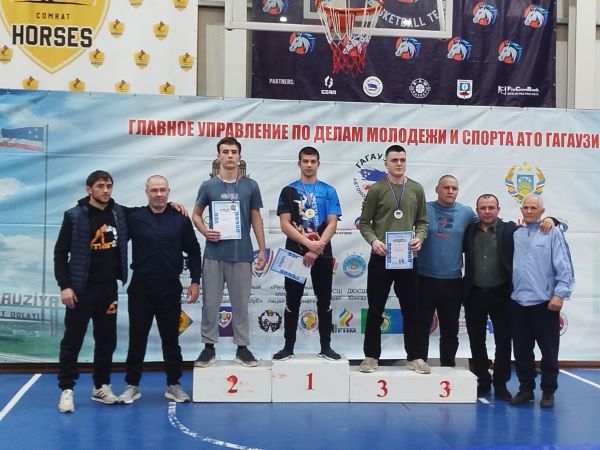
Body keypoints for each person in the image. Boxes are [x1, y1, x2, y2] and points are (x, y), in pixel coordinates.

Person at [118, 175, 201, 404]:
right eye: (154, 190)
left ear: (168, 191)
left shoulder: (180, 219)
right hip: (141, 287)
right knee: (137, 338)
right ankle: (132, 385)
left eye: (163, 190)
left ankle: (173, 384)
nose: (159, 194)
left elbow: (194, 250)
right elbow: (108, 205)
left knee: (171, 339)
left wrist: (195, 281)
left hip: (169, 287)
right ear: (146, 192)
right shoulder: (134, 217)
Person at [54, 170, 128, 413]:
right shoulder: (74, 215)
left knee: (107, 340)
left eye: (109, 186)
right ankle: (67, 389)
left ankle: (101, 386)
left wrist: (171, 205)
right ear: (89, 189)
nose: (105, 190)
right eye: (100, 186)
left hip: (108, 289)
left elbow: (148, 211)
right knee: (72, 340)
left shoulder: (119, 213)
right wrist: (65, 285)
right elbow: (60, 253)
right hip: (80, 290)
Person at [192, 137, 266, 367]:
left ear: (240, 156)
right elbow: (196, 214)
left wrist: (262, 249)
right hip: (214, 254)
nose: (230, 155)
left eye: (234, 151)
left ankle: (242, 348)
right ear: (218, 156)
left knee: (241, 304)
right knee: (210, 304)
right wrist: (205, 231)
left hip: (242, 253)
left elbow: (256, 218)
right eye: (225, 152)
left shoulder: (251, 185)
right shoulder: (208, 186)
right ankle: (208, 348)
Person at [358, 145, 429, 373]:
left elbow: (423, 222)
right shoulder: (377, 189)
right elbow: (364, 223)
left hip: (407, 259)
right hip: (381, 258)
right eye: (394, 160)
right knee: (375, 309)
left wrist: (419, 238)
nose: (399, 164)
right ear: (386, 163)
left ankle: (415, 357)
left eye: (402, 160)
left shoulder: (416, 189)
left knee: (412, 310)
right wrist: (373, 241)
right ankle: (371, 357)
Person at [272, 146, 342, 361]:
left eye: (313, 161)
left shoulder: (329, 191)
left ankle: (326, 348)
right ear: (299, 163)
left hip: (323, 251)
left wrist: (318, 246)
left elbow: (332, 223)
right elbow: (285, 224)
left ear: (318, 163)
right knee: (292, 300)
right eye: (305, 161)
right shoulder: (289, 191)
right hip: (295, 252)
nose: (309, 165)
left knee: (325, 300)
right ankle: (288, 348)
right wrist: (307, 244)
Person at [509, 194, 574, 408]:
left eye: (533, 208)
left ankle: (548, 391)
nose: (529, 211)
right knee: (521, 352)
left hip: (545, 303)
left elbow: (564, 265)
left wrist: (560, 294)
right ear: (521, 210)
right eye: (525, 207)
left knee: (549, 352)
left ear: (542, 211)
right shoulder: (516, 234)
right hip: (518, 302)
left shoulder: (552, 232)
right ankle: (526, 389)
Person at [416, 175, 478, 371]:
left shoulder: (466, 213)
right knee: (421, 327)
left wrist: (550, 220)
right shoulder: (424, 208)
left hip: (453, 281)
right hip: (424, 278)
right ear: (437, 189)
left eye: (454, 188)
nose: (450, 191)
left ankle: (448, 368)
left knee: (450, 330)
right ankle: (419, 364)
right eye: (446, 187)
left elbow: (491, 223)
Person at [463, 194, 516, 401]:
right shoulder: (468, 231)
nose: (487, 211)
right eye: (483, 208)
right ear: (477, 210)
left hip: (502, 294)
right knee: (477, 341)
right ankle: (483, 382)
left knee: (503, 342)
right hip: (474, 294)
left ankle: (501, 384)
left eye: (491, 207)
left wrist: (551, 220)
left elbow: (534, 227)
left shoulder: (510, 230)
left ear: (498, 209)